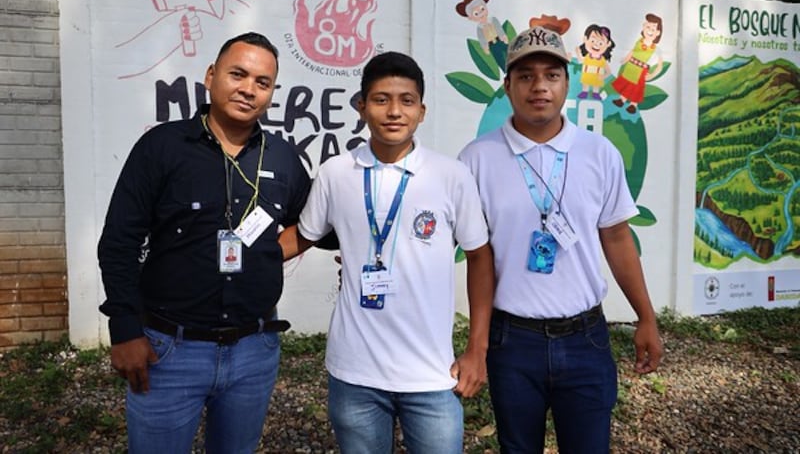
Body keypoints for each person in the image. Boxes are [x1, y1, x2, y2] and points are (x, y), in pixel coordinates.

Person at [98, 32, 310, 453]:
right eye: (238, 74)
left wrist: (270, 254)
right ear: (211, 76)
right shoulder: (161, 147)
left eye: (262, 82)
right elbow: (119, 241)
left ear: (271, 93)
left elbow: (314, 224)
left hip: (254, 351)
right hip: (167, 351)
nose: (249, 89)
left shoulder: (283, 157)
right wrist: (124, 329)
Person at [458, 25, 663, 453]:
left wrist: (646, 316)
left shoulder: (599, 153)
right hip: (512, 342)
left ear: (567, 84)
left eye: (551, 75)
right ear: (507, 85)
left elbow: (618, 239)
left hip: (585, 337)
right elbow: (479, 257)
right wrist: (476, 347)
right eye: (526, 75)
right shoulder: (476, 159)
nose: (539, 87)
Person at [279, 52, 495, 454]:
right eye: (381, 99)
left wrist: (477, 349)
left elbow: (480, 257)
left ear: (422, 110)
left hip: (431, 375)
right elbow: (302, 237)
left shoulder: (450, 176)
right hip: (355, 374)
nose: (394, 111)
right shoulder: (335, 173)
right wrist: (232, 260)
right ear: (361, 106)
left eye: (406, 100)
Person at [611, 13, 664, 113]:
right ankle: (622, 99)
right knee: (627, 82)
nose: (649, 31)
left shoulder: (656, 49)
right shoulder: (639, 41)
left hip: (641, 70)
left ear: (657, 33)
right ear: (644, 27)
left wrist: (652, 75)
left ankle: (633, 104)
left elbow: (660, 66)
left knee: (637, 88)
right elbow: (632, 51)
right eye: (647, 27)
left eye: (652, 29)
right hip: (631, 66)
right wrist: (625, 59)